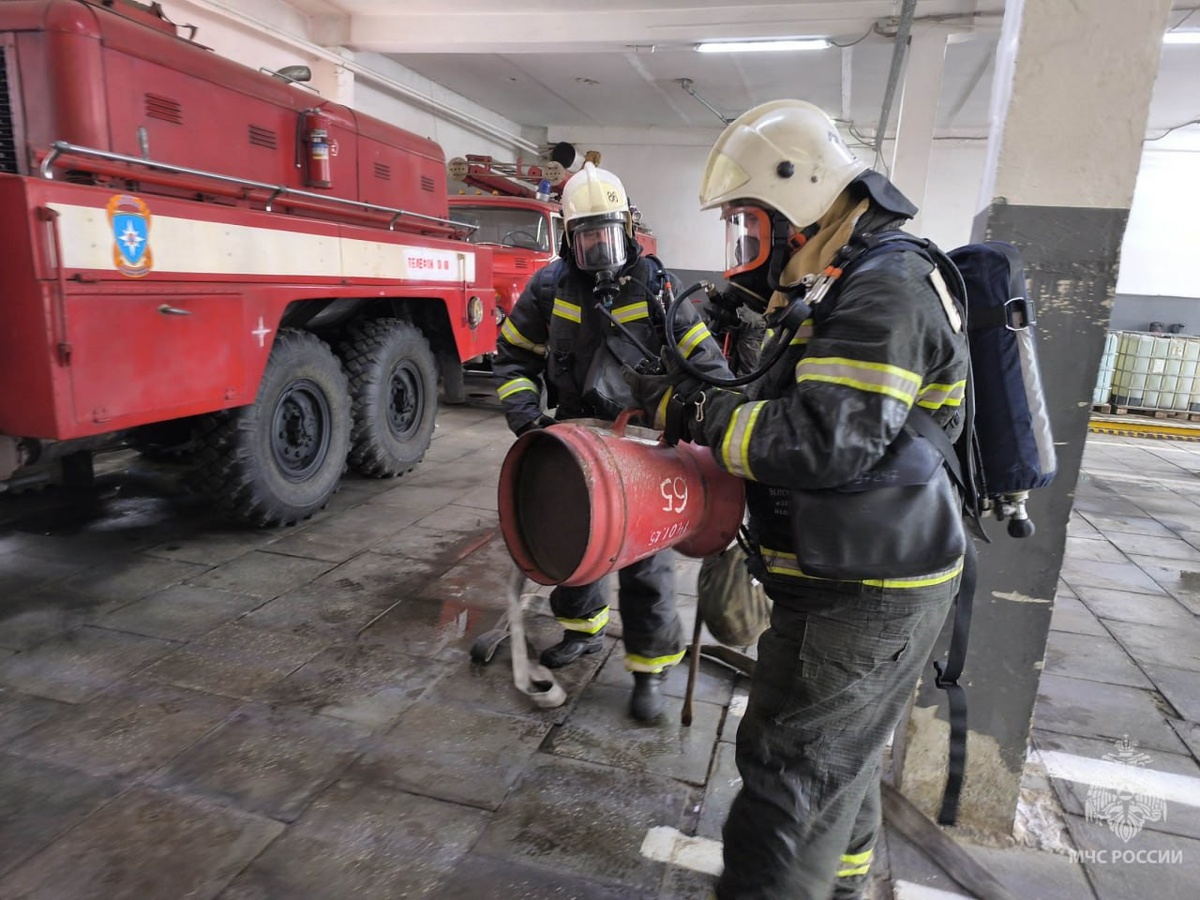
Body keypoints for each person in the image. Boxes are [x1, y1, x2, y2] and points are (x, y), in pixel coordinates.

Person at [624, 100, 970, 898]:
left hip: (868, 596)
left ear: (804, 201)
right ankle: (842, 886)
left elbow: (824, 442)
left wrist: (700, 414)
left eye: (752, 226)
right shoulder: (850, 278)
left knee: (791, 783)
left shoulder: (888, 286)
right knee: (824, 768)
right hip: (841, 580)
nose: (747, 251)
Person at [494, 161, 733, 722]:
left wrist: (709, 428)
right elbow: (513, 357)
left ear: (626, 227)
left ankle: (650, 669)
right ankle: (581, 630)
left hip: (646, 440)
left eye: (607, 235)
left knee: (645, 562)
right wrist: (527, 416)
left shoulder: (658, 286)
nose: (599, 249)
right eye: (586, 238)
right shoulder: (551, 287)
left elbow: (706, 361)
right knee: (572, 541)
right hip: (575, 435)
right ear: (568, 238)